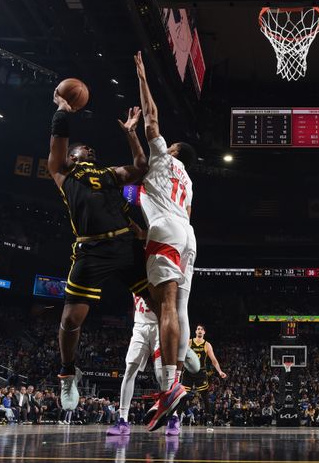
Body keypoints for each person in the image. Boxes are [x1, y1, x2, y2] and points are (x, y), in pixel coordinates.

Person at [47, 90, 149, 411]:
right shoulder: (64, 173)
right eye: (82, 149)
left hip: (124, 245)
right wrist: (63, 111)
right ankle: (67, 373)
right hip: (91, 252)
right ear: (74, 156)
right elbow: (59, 142)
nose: (88, 150)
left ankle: (177, 361)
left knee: (162, 302)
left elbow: (141, 167)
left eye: (91, 149)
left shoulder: (108, 175)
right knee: (71, 319)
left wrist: (132, 133)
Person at [133, 51, 199, 432]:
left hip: (166, 229)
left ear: (174, 151)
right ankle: (184, 361)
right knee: (181, 306)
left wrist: (143, 78)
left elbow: (152, 119)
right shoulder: (188, 183)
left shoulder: (164, 157)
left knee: (165, 308)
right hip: (187, 235)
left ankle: (169, 384)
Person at [107, 293, 201, 436]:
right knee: (130, 370)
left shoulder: (159, 272)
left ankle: (173, 417)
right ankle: (122, 420)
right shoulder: (134, 274)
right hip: (140, 327)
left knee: (162, 376)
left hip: (160, 326)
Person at [182, 324, 228, 427]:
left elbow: (214, 361)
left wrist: (220, 371)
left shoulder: (207, 345)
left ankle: (209, 419)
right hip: (188, 372)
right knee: (183, 396)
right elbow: (181, 356)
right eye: (198, 329)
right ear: (195, 331)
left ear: (204, 332)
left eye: (201, 329)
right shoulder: (189, 342)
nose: (199, 330)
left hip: (200, 372)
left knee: (205, 397)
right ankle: (177, 418)